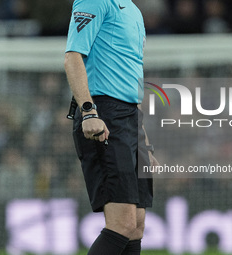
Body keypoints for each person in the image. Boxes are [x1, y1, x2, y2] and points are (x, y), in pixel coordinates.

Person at [64, 0, 158, 254]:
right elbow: (72, 57)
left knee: (136, 225)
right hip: (103, 112)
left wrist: (144, 138)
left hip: (130, 117)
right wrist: (88, 111)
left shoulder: (134, 10)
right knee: (122, 223)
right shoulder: (95, 0)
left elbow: (131, 71)